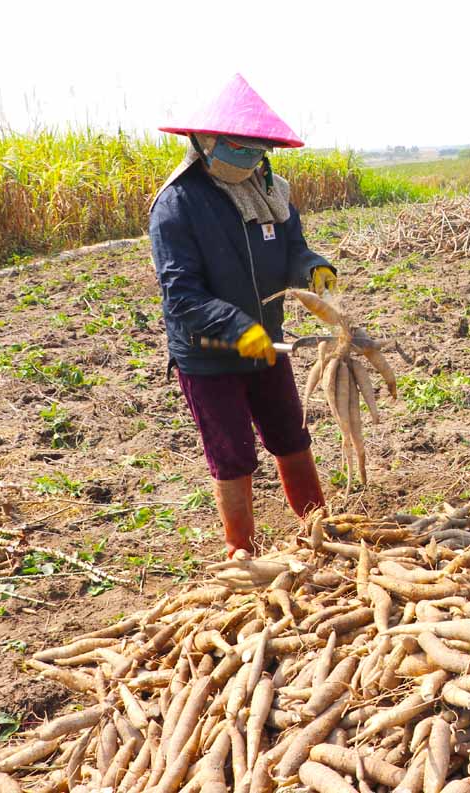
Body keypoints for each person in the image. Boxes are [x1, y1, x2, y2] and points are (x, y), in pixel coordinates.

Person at [149, 74, 336, 558]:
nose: (249, 156)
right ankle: (242, 552)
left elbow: (293, 248)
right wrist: (237, 329)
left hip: (267, 343)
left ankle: (318, 530)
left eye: (256, 148)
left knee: (290, 434)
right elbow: (181, 294)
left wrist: (312, 268)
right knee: (232, 454)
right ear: (206, 141)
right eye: (239, 147)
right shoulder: (177, 205)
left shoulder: (270, 190)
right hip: (209, 354)